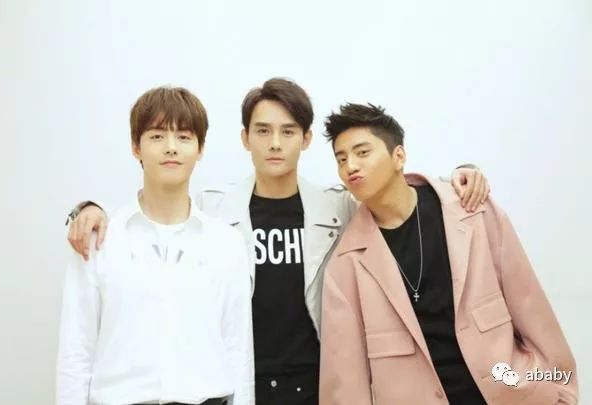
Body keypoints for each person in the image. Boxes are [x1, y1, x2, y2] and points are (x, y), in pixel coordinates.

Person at [65, 78, 490, 405]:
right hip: (244, 385)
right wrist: (87, 210)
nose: (274, 144)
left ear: (306, 139)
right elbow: (161, 210)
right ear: (244, 138)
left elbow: (389, 190)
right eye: (263, 130)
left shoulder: (337, 208)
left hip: (318, 384)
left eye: (288, 132)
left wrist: (456, 178)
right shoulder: (215, 212)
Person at [318, 102, 578, 404]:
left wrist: (561, 394)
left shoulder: (473, 212)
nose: (350, 166)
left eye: (362, 152)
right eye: (341, 159)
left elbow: (532, 310)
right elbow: (346, 382)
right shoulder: (345, 265)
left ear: (399, 156)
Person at [56, 86, 254, 405]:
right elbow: (76, 352)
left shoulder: (226, 243)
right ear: (136, 146)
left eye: (184, 137)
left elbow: (238, 350)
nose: (171, 148)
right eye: (157, 136)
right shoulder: (99, 239)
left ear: (200, 148)